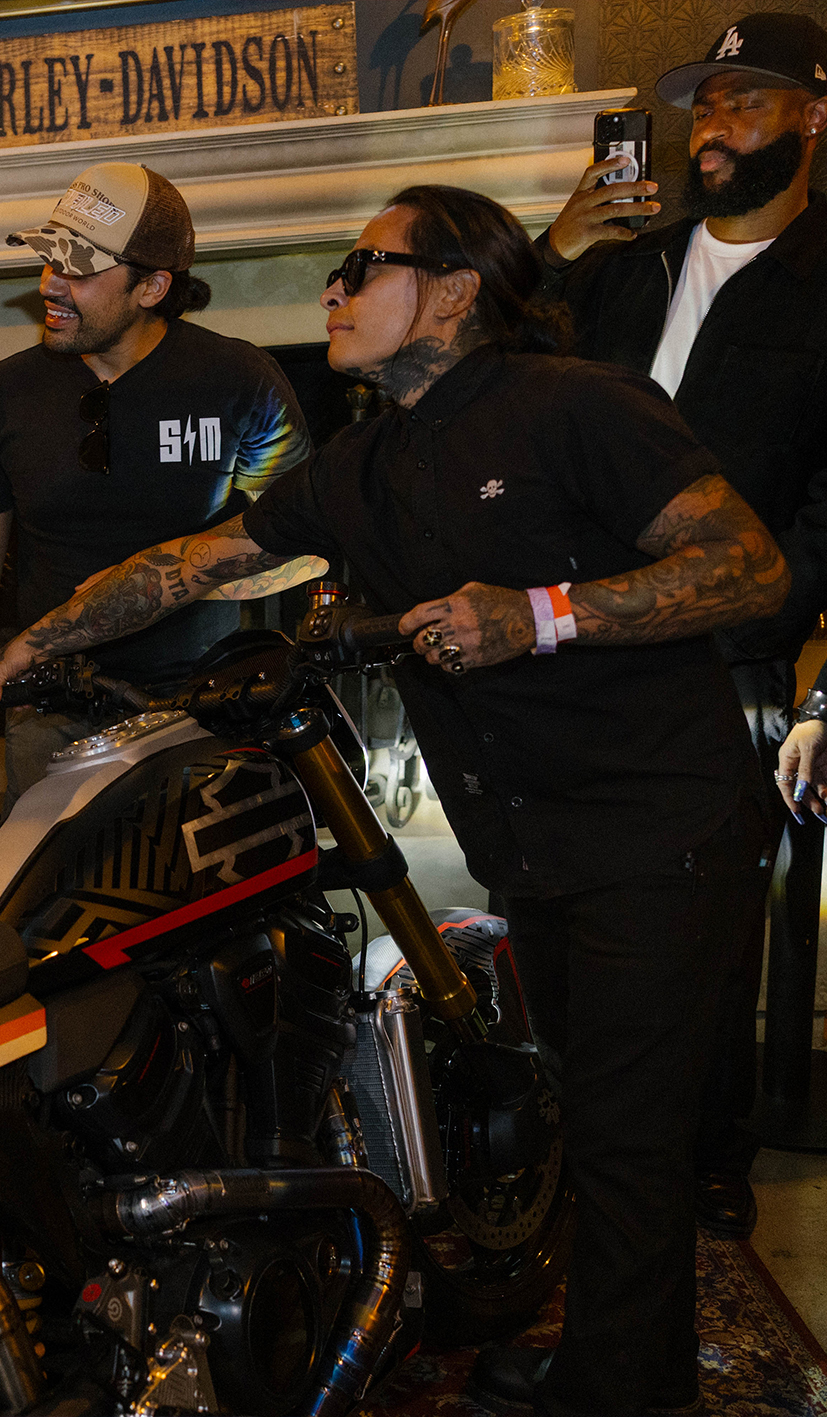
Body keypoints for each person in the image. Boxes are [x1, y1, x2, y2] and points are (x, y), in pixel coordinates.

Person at [0, 185, 785, 1417]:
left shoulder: (575, 402)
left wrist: (541, 615)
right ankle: (621, 1365)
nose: (333, 292)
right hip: (536, 839)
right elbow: (194, 562)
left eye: (362, 267)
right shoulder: (365, 461)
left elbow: (746, 564)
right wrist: (39, 636)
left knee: (629, 1144)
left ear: (455, 288)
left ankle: (621, 1395)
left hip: (659, 828)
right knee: (600, 1124)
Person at [537, 10, 827, 1242]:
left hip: (723, 657)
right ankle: (570, 1141)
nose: (712, 124)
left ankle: (709, 1155)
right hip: (572, 648)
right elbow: (486, 383)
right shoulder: (622, 262)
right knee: (566, 913)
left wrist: (776, 618)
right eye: (704, 102)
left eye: (745, 100)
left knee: (704, 934)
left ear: (814, 117)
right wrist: (556, 245)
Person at [0, 161, 317, 815]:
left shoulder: (239, 381)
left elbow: (305, 544)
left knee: (203, 908)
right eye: (49, 259)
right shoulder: (4, 392)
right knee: (50, 908)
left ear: (152, 286)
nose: (48, 284)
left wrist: (156, 585)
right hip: (45, 708)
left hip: (201, 708)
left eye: (77, 269)